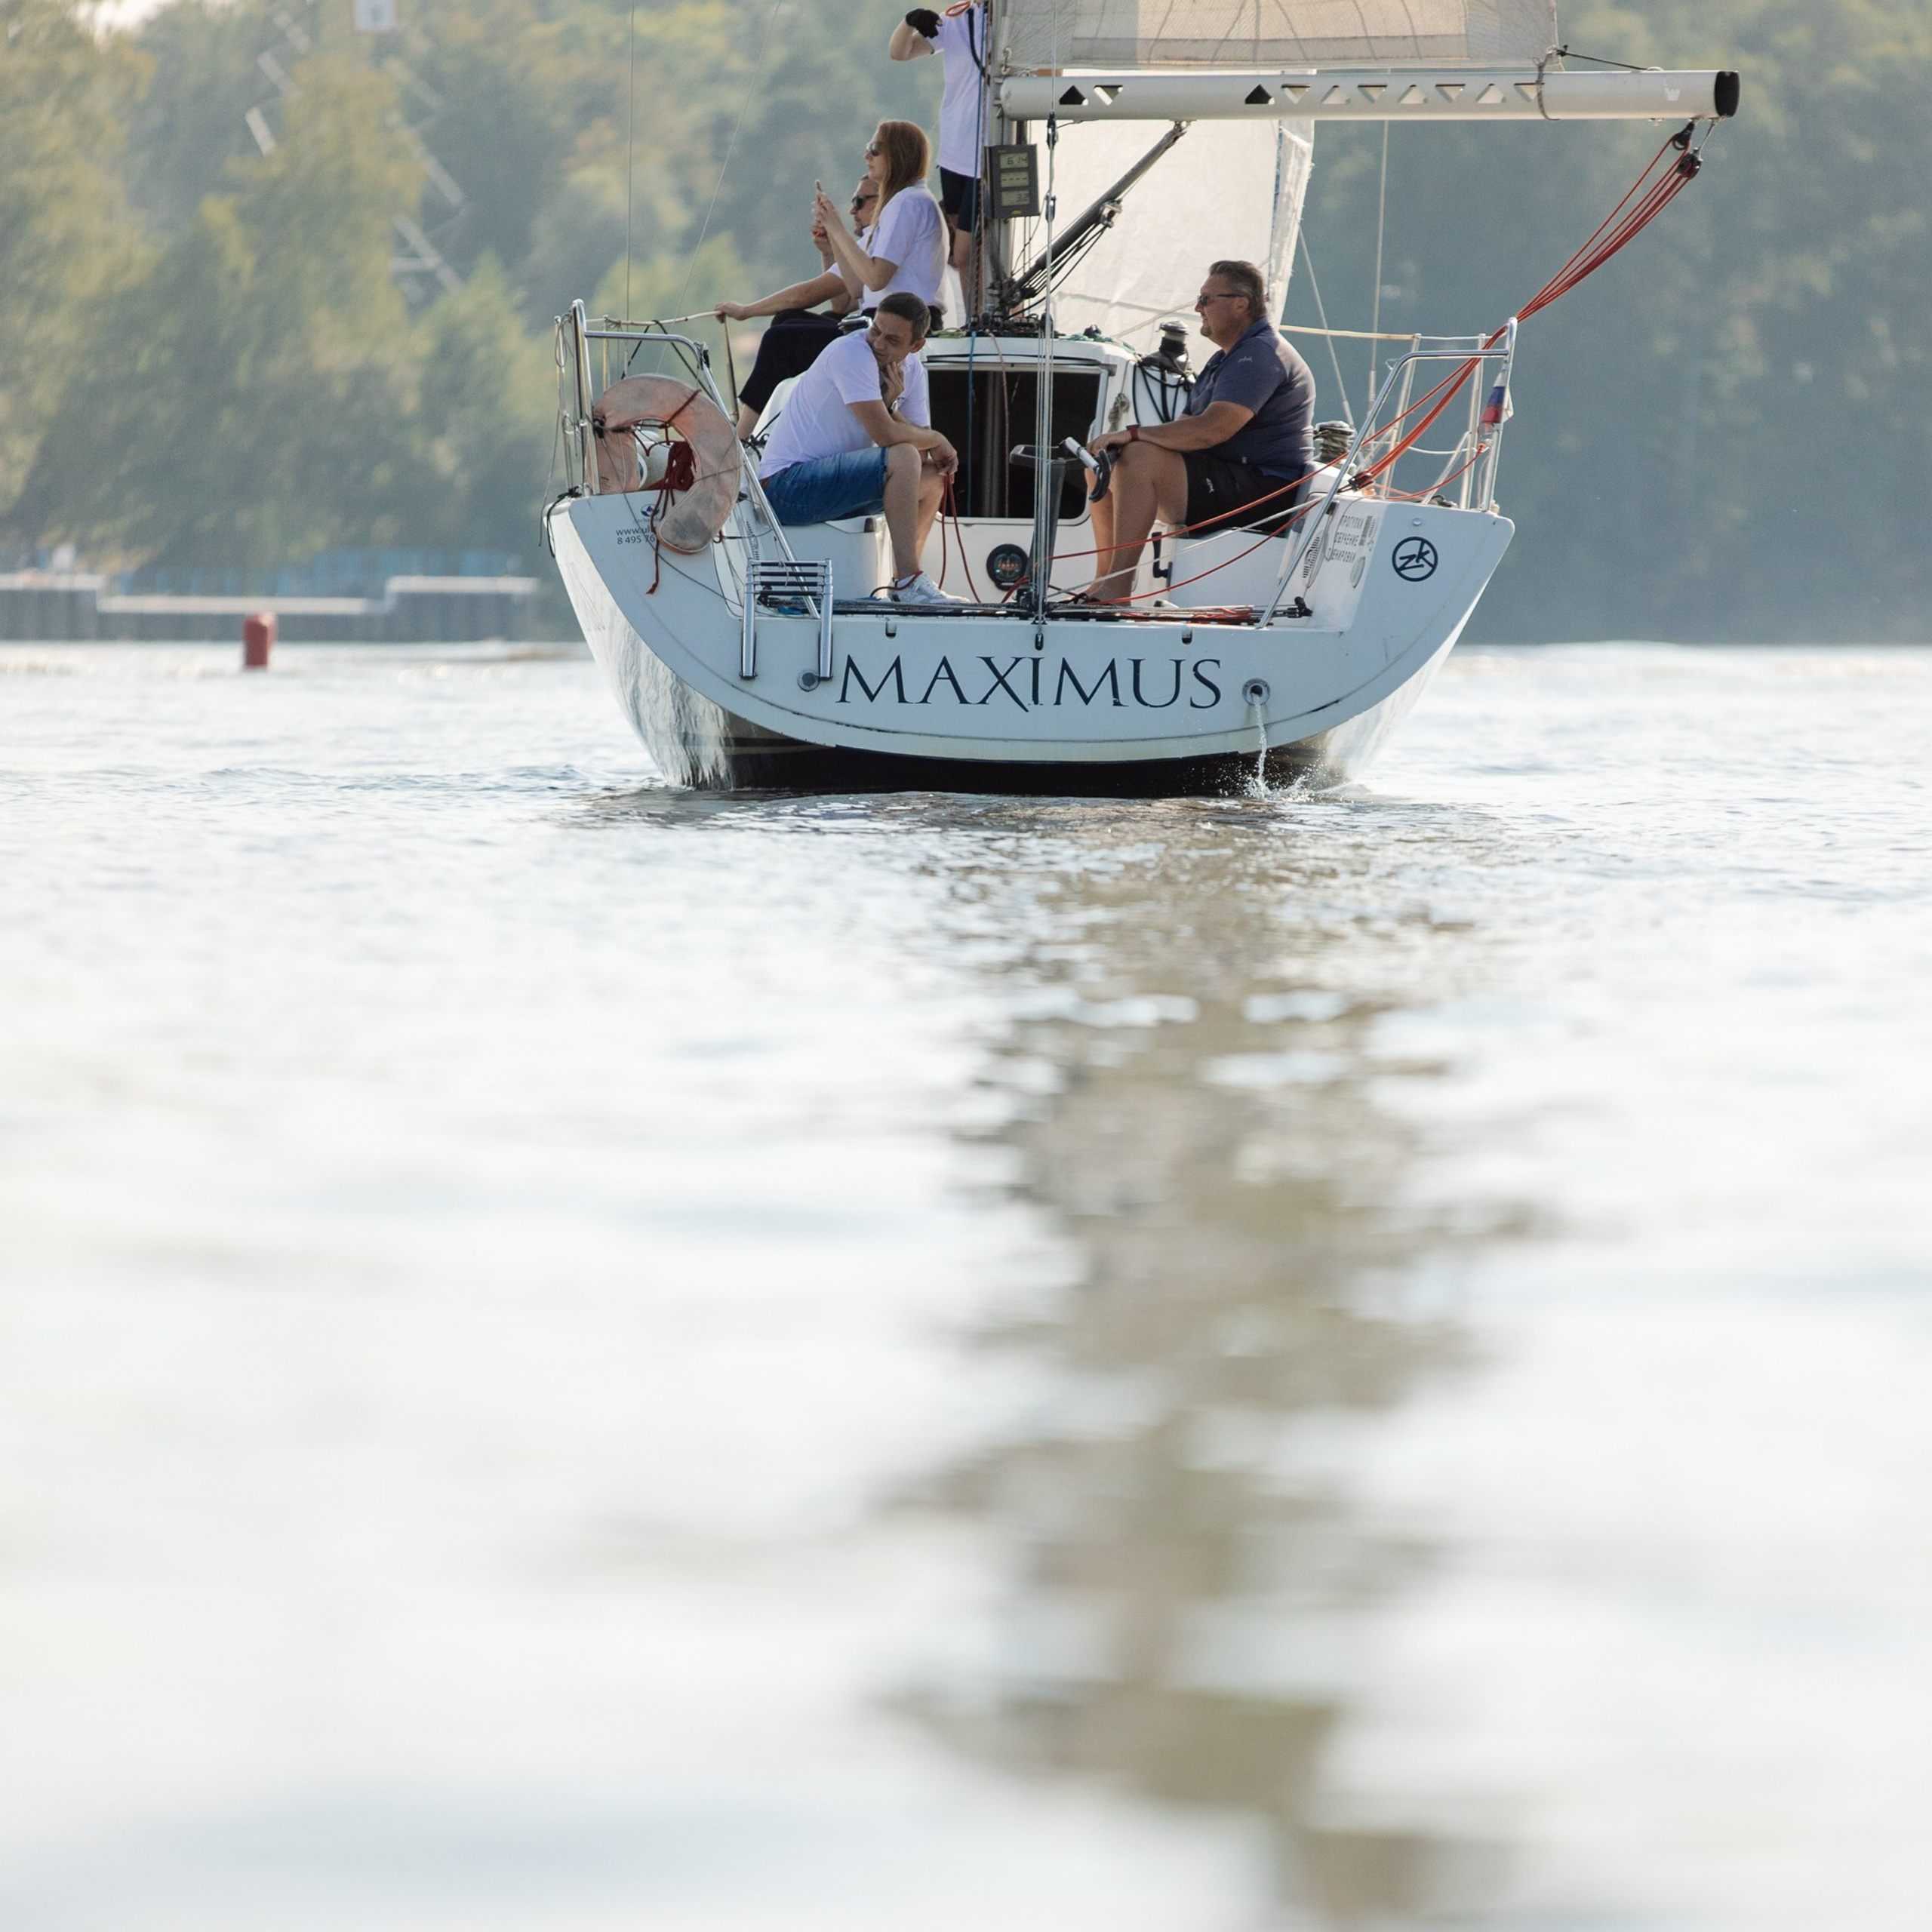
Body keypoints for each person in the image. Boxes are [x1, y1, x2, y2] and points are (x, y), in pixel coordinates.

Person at [1081, 260, 1316, 604]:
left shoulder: (1260, 353)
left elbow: (1212, 429)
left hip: (1267, 491)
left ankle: (1118, 588)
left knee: (1138, 456)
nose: (1197, 308)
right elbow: (1185, 429)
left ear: (1241, 303)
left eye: (1206, 300)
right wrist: (1126, 441)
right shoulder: (1227, 358)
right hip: (1231, 478)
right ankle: (1103, 583)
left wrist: (1133, 434)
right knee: (1100, 462)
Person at [756, 291, 960, 605]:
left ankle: (906, 582)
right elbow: (889, 436)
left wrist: (892, 407)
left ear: (915, 346)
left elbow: (916, 458)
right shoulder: (851, 353)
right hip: (785, 487)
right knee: (902, 455)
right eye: (876, 330)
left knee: (933, 478)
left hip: (827, 486)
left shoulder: (914, 370)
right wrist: (936, 438)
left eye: (893, 340)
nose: (878, 343)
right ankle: (909, 582)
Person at [717, 178, 878, 438]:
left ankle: (741, 439)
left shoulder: (878, 236)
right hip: (866, 322)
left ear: (881, 201)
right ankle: (777, 423)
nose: (852, 211)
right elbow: (842, 304)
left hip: (879, 329)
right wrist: (829, 251)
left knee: (779, 340)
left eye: (859, 202)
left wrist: (746, 311)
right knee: (786, 319)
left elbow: (807, 294)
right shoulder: (871, 239)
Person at [813, 121, 947, 335]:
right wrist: (834, 233)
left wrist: (838, 228)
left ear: (898, 154)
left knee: (783, 338)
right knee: (789, 323)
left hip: (900, 324)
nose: (868, 156)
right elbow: (858, 288)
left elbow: (876, 279)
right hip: (888, 318)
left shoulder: (906, 202)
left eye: (875, 150)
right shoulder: (907, 201)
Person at [888, 3, 986, 287]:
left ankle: (979, 321)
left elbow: (1048, 76)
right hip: (956, 151)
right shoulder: (957, 20)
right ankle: (974, 320)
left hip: (990, 150)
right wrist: (909, 22)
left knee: (968, 251)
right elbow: (900, 52)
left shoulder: (1021, 23)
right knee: (961, 249)